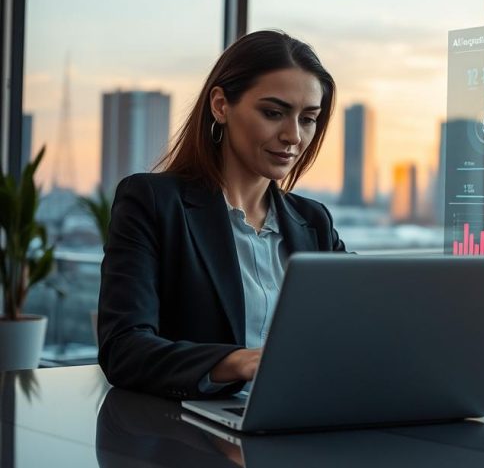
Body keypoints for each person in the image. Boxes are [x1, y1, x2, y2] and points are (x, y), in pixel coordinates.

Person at [97, 30, 346, 399]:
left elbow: (354, 326)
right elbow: (124, 349)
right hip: (192, 425)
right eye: (273, 113)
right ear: (220, 105)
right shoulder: (152, 202)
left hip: (301, 413)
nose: (293, 136)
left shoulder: (314, 222)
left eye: (308, 119)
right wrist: (237, 363)